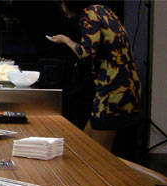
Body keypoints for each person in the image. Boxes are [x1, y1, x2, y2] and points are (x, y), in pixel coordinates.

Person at [48, 1, 141, 151]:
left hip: (113, 88)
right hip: (125, 83)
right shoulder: (103, 10)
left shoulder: (89, 16)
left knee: (98, 152)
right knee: (86, 143)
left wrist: (66, 40)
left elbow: (86, 53)